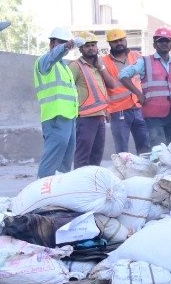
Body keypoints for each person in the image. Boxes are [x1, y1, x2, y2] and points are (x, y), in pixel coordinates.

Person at [118, 26, 171, 143]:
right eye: (160, 40)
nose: (164, 43)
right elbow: (123, 75)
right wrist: (138, 94)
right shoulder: (144, 62)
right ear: (155, 44)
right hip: (153, 117)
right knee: (158, 151)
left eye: (167, 40)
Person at [33, 26, 78, 179]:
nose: (66, 46)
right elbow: (52, 57)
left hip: (69, 117)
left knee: (65, 160)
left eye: (67, 43)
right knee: (52, 156)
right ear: (52, 44)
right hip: (55, 116)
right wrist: (65, 46)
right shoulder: (44, 62)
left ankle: (59, 189)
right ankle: (42, 188)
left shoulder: (63, 66)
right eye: (62, 43)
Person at [71, 34, 119, 168]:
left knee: (96, 155)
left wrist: (101, 68)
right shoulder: (76, 66)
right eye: (87, 46)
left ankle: (92, 184)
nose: (91, 48)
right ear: (80, 49)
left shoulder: (99, 65)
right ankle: (80, 184)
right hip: (85, 118)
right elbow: (68, 89)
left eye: (93, 45)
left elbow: (111, 85)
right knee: (82, 155)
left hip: (100, 116)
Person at [100, 28, 150, 155]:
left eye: (121, 40)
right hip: (118, 111)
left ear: (125, 40)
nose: (118, 43)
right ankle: (123, 174)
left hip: (139, 107)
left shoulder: (137, 56)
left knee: (145, 147)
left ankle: (144, 173)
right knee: (122, 150)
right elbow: (101, 88)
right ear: (109, 43)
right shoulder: (103, 62)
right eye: (114, 41)